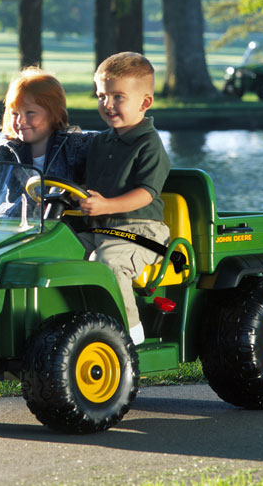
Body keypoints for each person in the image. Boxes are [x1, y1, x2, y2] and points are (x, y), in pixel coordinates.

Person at [78, 52, 171, 345]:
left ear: (144, 102)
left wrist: (105, 205)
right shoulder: (99, 141)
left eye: (118, 97)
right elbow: (87, 183)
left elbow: (146, 194)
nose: (107, 104)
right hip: (100, 229)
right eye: (102, 95)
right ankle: (74, 326)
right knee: (55, 251)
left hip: (142, 231)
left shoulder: (148, 144)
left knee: (107, 261)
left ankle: (127, 334)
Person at [0, 66, 94, 219]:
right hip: (18, 223)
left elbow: (100, 175)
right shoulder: (7, 150)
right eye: (15, 113)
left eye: (30, 113)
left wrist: (84, 191)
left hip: (63, 225)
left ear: (55, 114)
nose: (20, 121)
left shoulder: (76, 145)